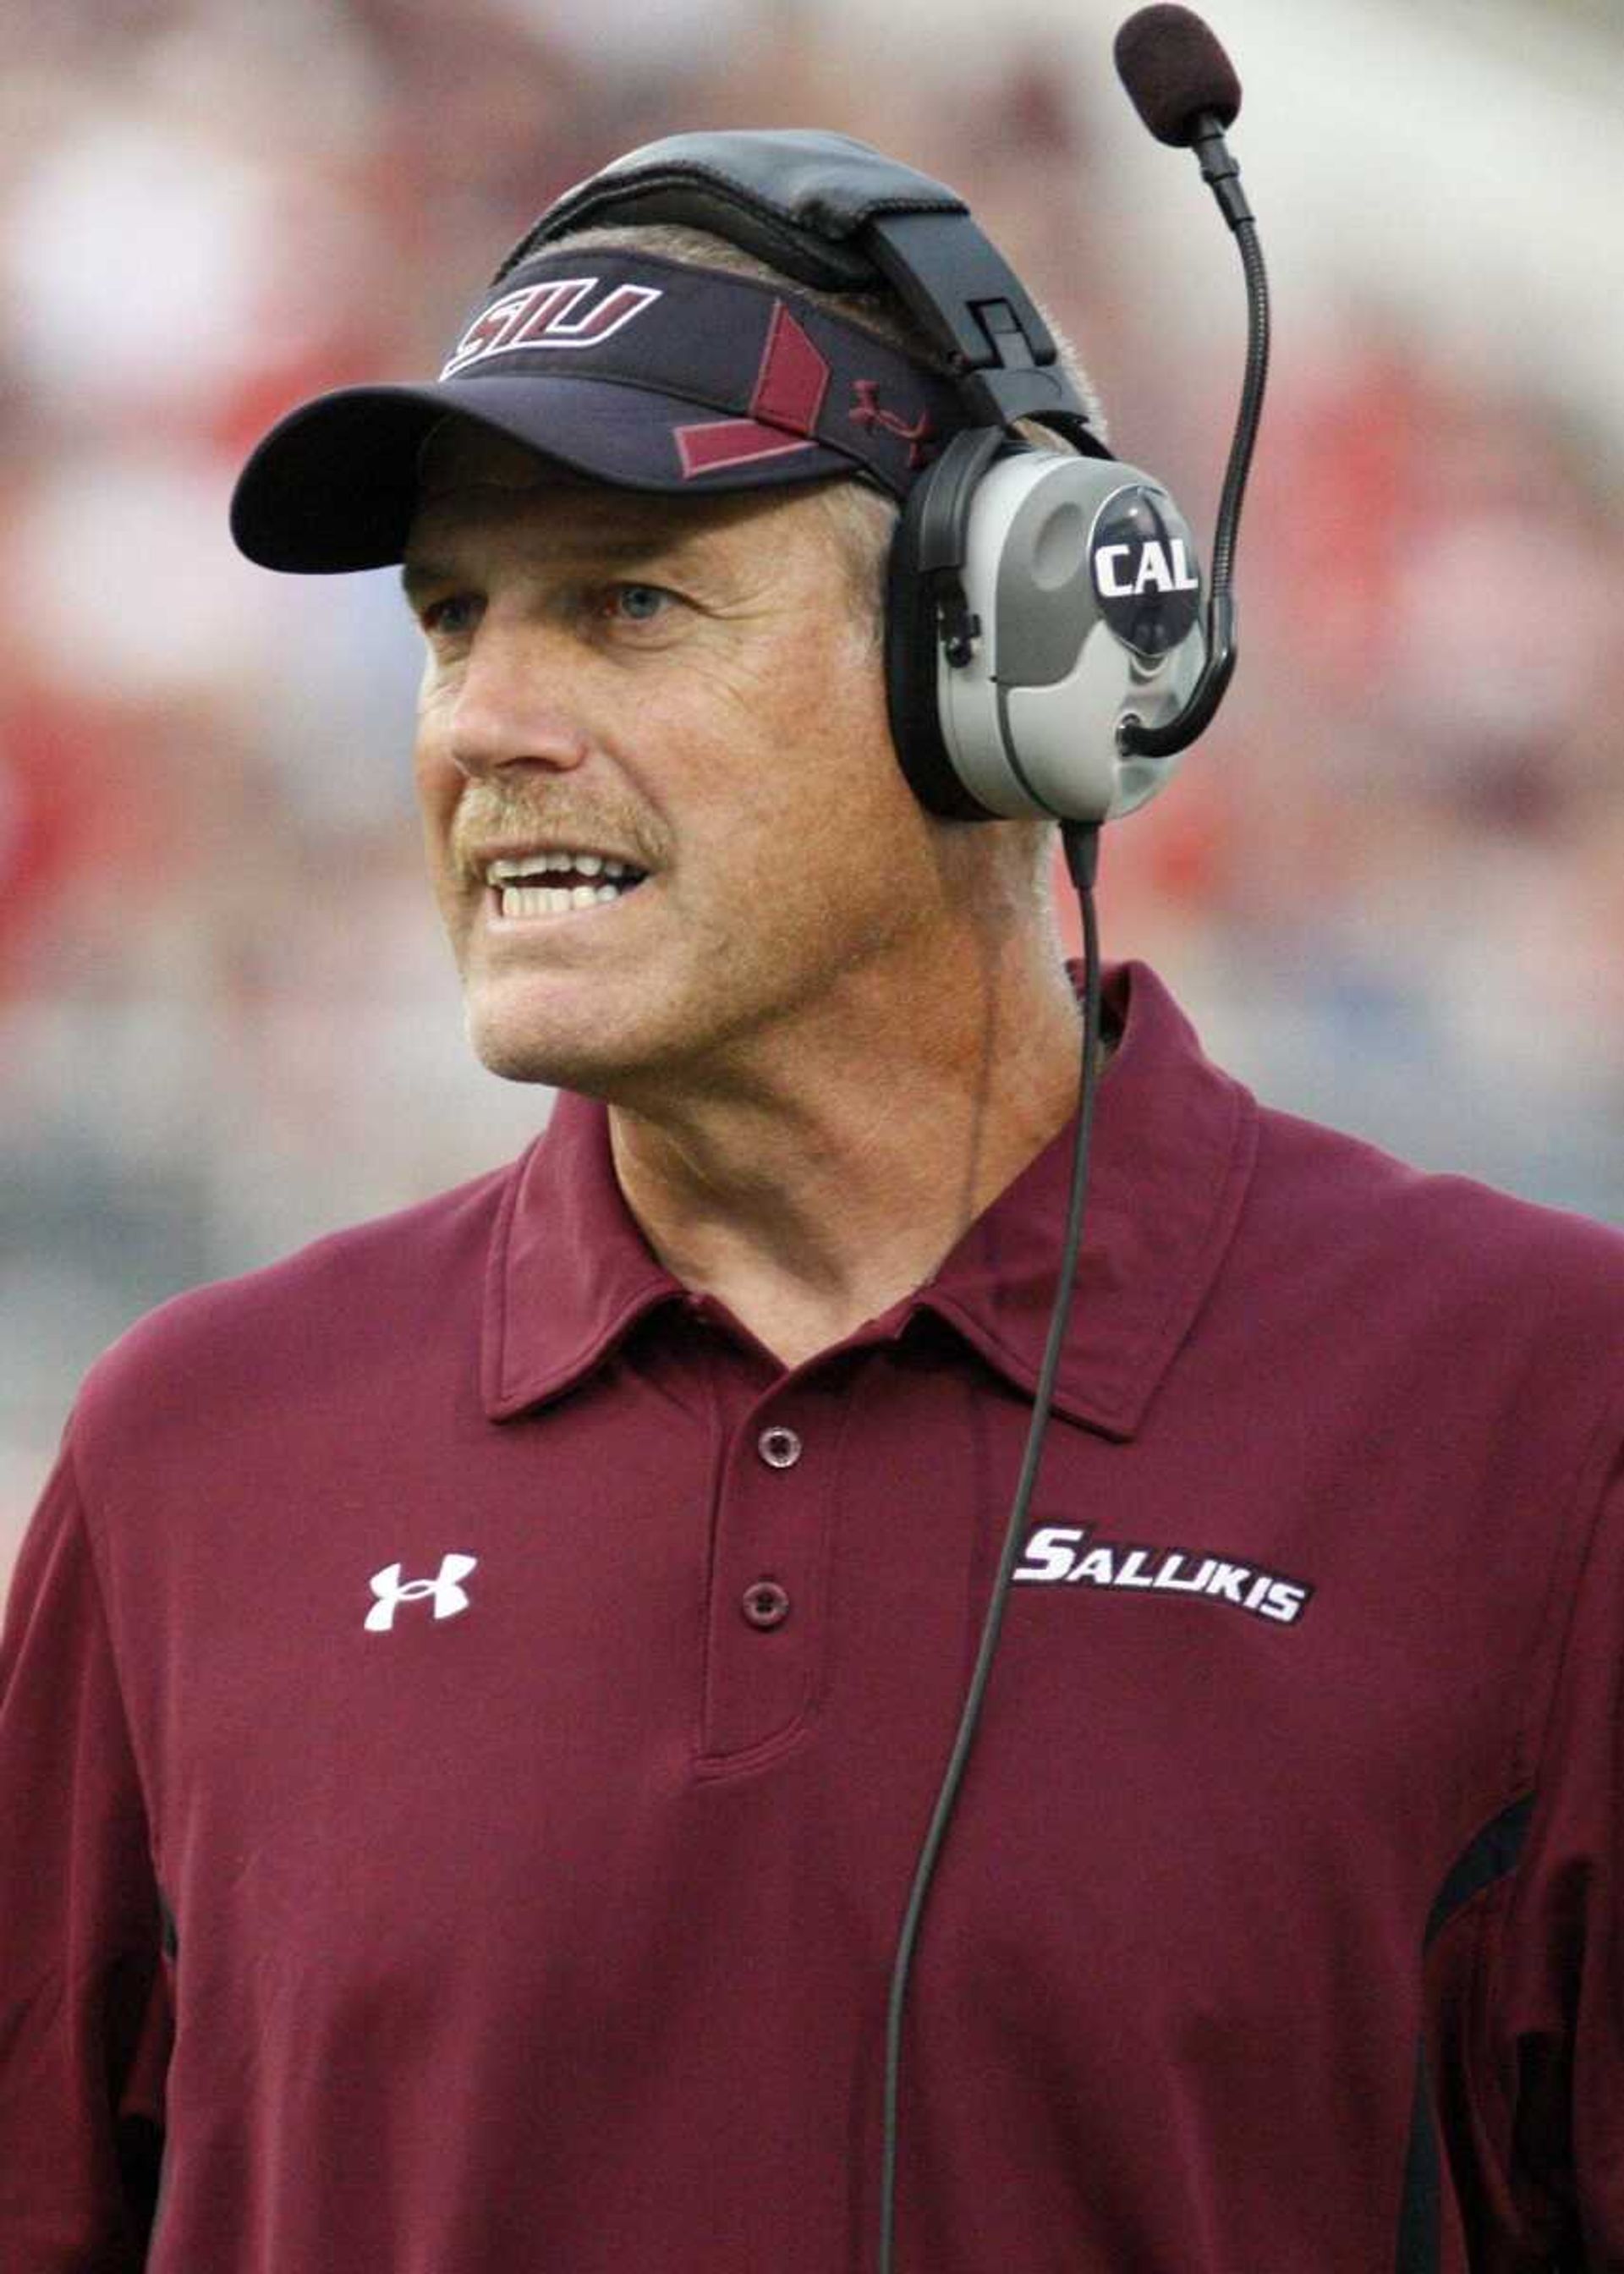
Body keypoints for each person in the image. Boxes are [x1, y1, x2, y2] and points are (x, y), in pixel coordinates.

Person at [2, 129, 1621, 2274]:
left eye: (627, 604)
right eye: (454, 618)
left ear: (1007, 670)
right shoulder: (193, 1456)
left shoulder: (1544, 1416)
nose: (483, 721)